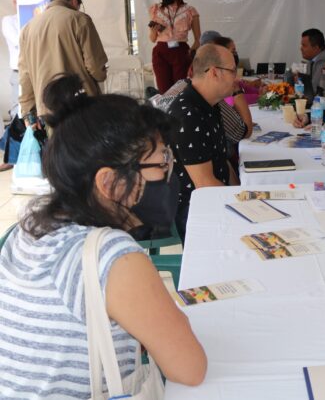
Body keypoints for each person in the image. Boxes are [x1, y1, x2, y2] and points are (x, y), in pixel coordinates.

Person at [0, 74, 206, 397]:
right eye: (162, 161)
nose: (170, 172)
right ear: (109, 182)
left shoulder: (31, 224)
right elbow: (190, 367)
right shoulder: (110, 256)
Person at [168, 44, 237, 239]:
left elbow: (221, 160)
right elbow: (205, 185)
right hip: (193, 210)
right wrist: (242, 205)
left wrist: (241, 192)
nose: (237, 78)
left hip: (213, 198)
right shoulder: (188, 115)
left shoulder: (208, 104)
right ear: (214, 72)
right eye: (233, 71)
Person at [18, 0, 107, 120]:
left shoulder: (27, 28)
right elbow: (95, 67)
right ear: (75, 0)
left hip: (48, 107)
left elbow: (25, 75)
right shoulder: (79, 19)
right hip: (81, 102)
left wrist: (28, 111)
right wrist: (101, 74)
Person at [148, 0, 201, 94]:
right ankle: (165, 106)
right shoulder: (156, 10)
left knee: (181, 89)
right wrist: (153, 31)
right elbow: (152, 39)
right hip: (161, 52)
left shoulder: (190, 11)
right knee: (164, 90)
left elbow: (198, 39)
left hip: (180, 52)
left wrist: (190, 52)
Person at [299, 28, 325, 100]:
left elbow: (313, 90)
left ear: (316, 48)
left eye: (304, 45)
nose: (301, 48)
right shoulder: (312, 60)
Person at [1, 0, 19, 118]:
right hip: (19, 72)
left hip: (40, 70)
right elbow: (19, 41)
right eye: (14, 1)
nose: (16, 4)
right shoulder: (9, 21)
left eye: (18, 1)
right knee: (18, 111)